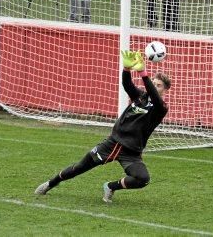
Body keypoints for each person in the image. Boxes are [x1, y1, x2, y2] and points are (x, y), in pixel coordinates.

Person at [34, 50, 172, 203]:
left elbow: (154, 95)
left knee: (143, 179)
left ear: (165, 90)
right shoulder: (140, 96)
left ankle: (110, 187)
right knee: (79, 167)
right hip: (113, 143)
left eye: (158, 85)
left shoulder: (161, 107)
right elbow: (127, 84)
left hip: (131, 151)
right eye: (153, 83)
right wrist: (126, 69)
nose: (154, 86)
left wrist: (143, 73)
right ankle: (50, 183)